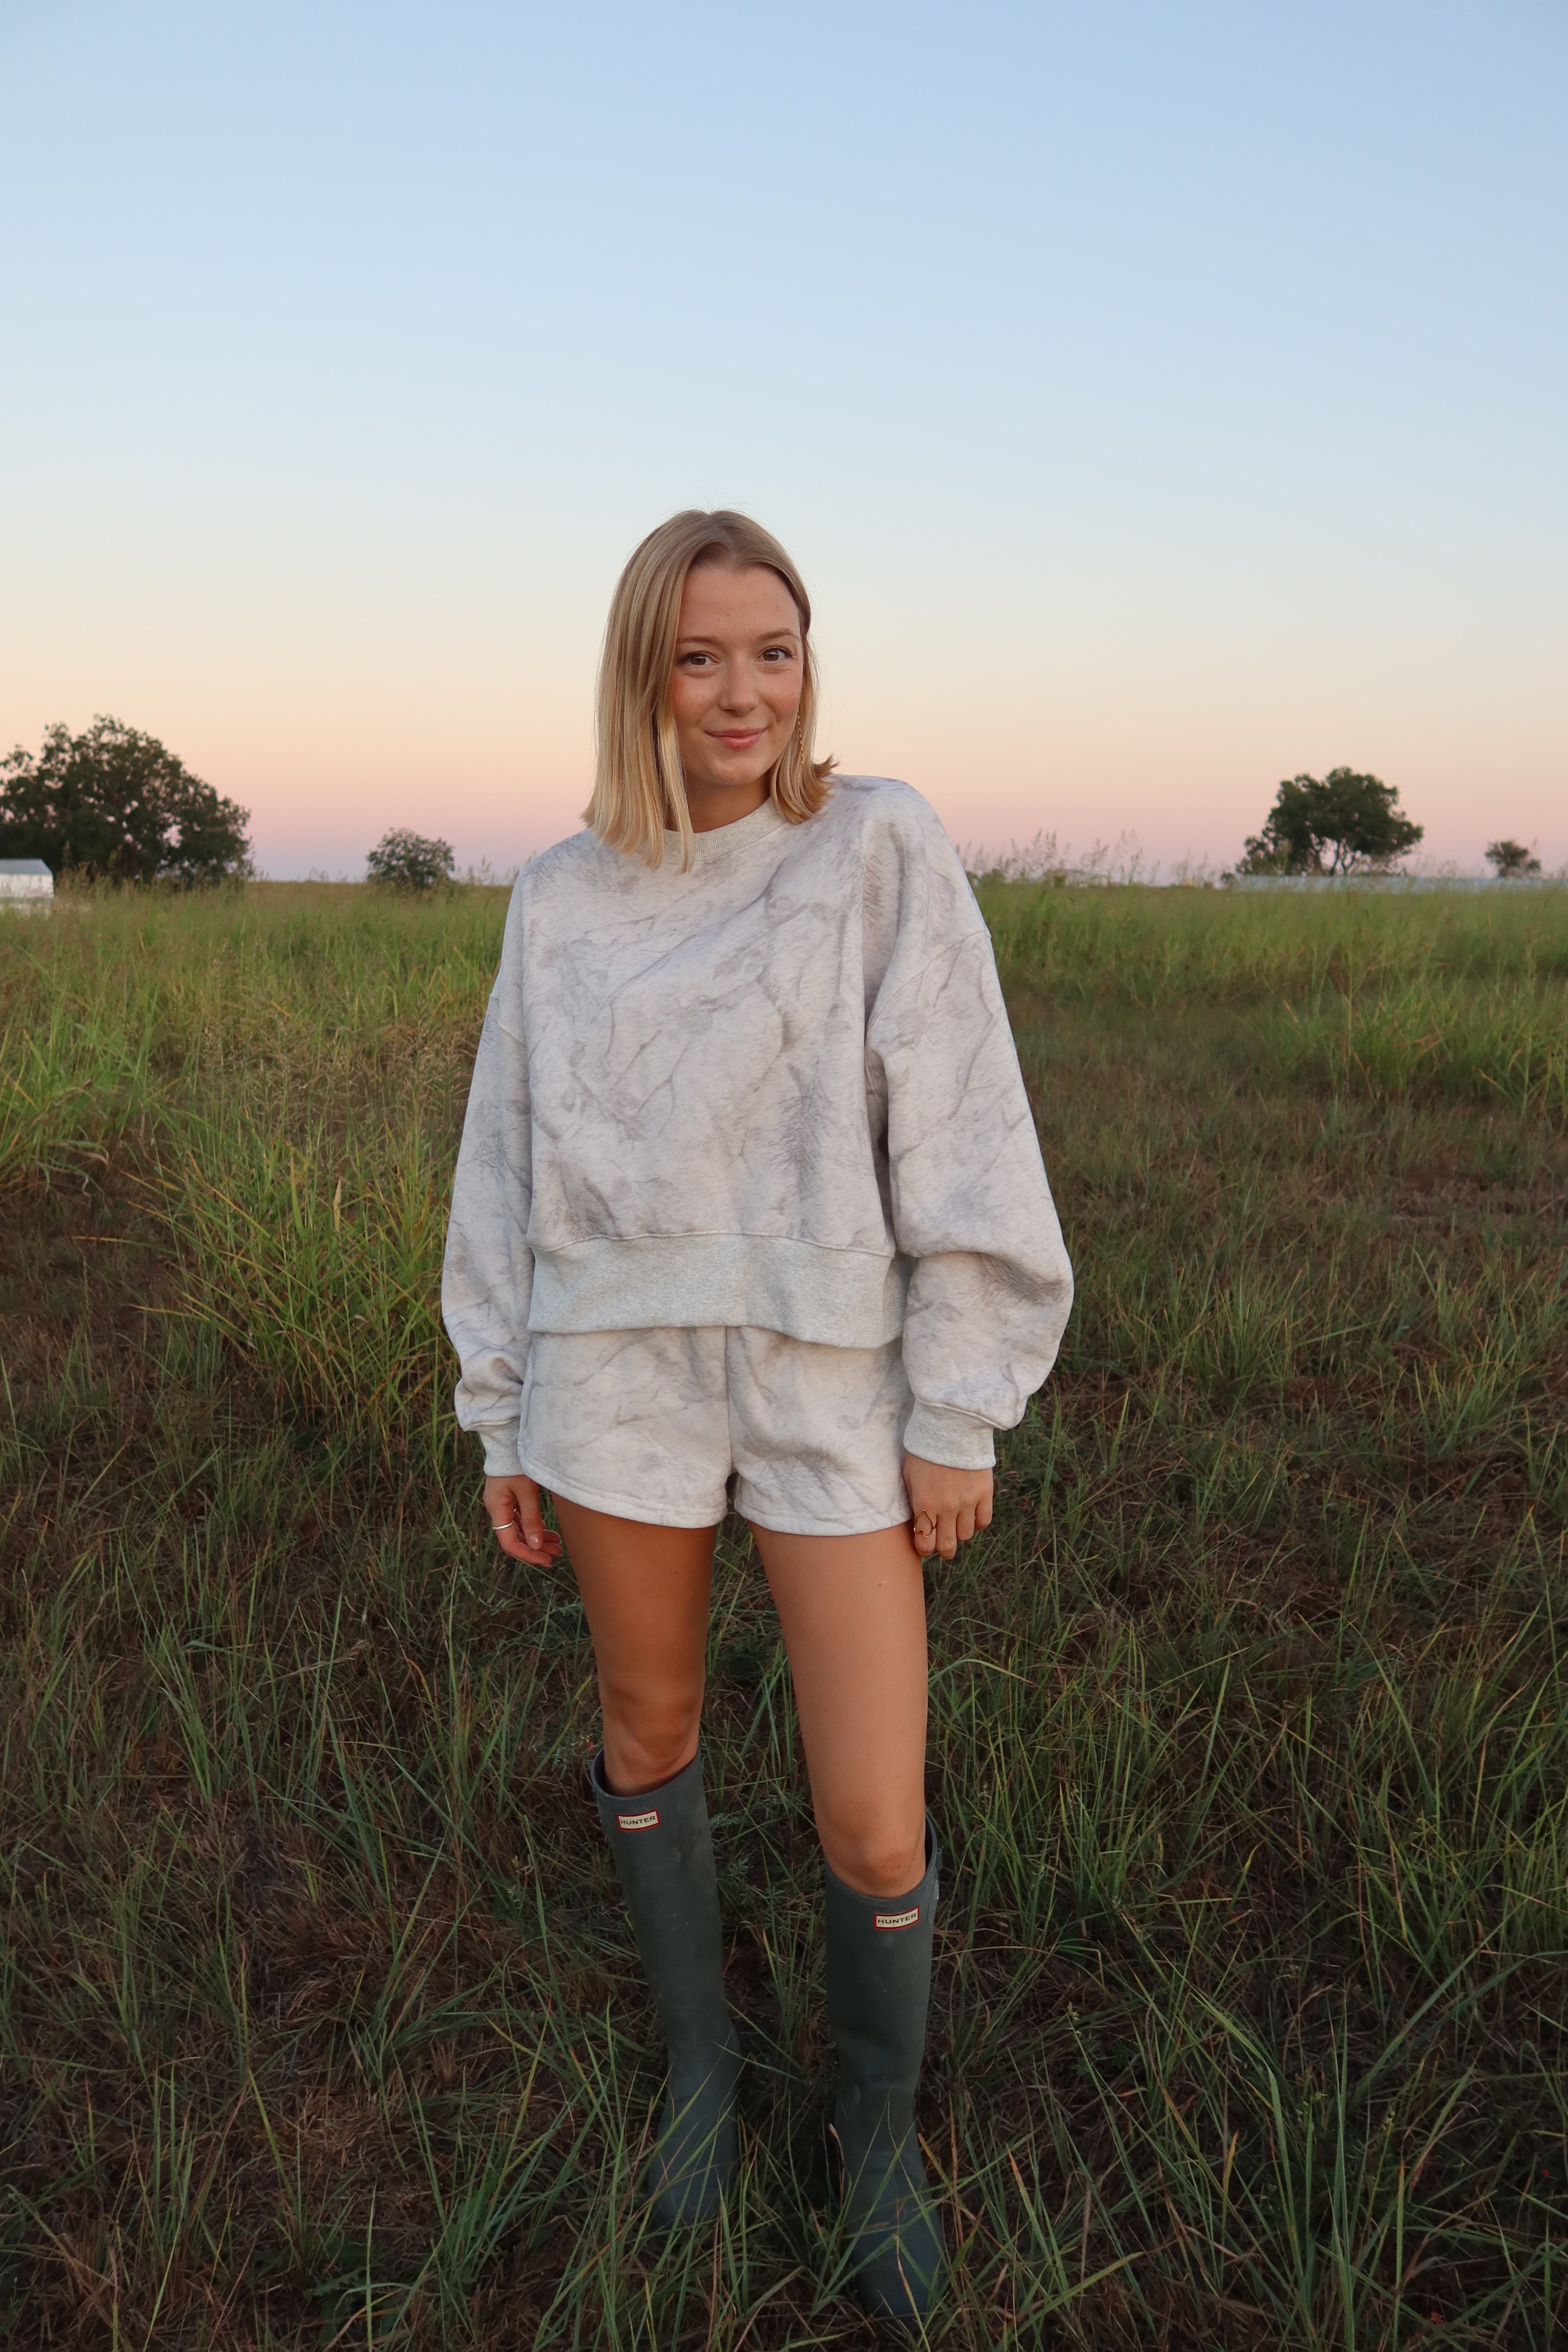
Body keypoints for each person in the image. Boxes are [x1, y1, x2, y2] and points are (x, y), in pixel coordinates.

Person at [441, 509, 1072, 2326]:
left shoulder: (875, 844)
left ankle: (875, 2130)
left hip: (827, 1389)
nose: (743, 691)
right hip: (614, 1377)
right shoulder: (559, 895)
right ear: (646, 668)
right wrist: (505, 1409)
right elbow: (507, 1154)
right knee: (650, 1733)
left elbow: (962, 1119)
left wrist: (959, 1405)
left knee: (874, 1817)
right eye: (704, 654)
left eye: (775, 651)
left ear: (810, 668)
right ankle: (705, 2073)